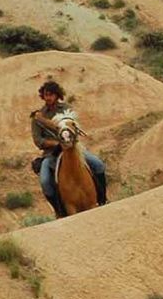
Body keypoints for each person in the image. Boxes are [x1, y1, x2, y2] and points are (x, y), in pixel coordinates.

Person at [30, 81, 107, 217]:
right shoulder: (37, 117)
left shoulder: (66, 109)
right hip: (51, 154)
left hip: (73, 148)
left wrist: (62, 136)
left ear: (57, 95)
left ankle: (102, 198)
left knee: (98, 165)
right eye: (46, 95)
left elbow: (73, 129)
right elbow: (38, 141)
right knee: (45, 182)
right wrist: (56, 144)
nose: (48, 97)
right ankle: (59, 210)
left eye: (51, 94)